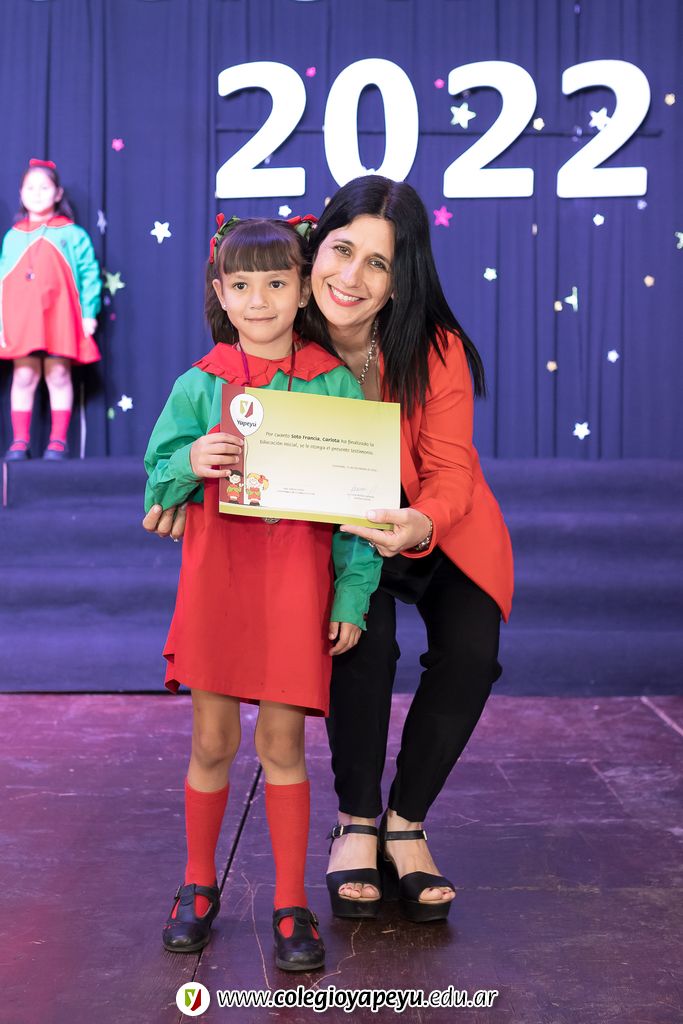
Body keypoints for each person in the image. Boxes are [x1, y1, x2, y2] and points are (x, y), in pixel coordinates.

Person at [143, 176, 514, 926]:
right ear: (313, 252)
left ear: (400, 279)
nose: (352, 276)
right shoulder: (277, 316)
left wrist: (420, 522)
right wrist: (182, 486)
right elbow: (198, 436)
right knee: (361, 641)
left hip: (429, 523)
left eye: (378, 263)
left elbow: (450, 471)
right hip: (337, 531)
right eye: (341, 251)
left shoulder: (433, 347)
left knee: (472, 651)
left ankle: (406, 823)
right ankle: (356, 822)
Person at [144, 215, 381, 971]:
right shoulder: (198, 384)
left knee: (282, 746)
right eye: (241, 285)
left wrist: (350, 596)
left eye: (276, 283)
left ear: (302, 290)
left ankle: (288, 901)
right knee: (211, 742)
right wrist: (189, 461)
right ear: (220, 292)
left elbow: (362, 509)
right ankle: (197, 884)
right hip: (217, 585)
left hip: (293, 589)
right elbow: (155, 482)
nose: (259, 300)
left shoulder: (333, 383)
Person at [0, 159, 101, 460]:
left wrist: (89, 313)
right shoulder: (13, 235)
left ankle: (58, 441)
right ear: (21, 193)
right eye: (30, 187)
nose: (37, 193)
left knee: (58, 374)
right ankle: (20, 441)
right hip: (22, 319)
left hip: (60, 316)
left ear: (57, 193)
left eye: (44, 187)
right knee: (24, 375)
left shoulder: (72, 233)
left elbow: (89, 274)